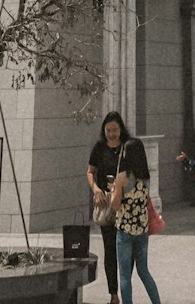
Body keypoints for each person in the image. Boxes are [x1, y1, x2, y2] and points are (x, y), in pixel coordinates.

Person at [87, 109, 131, 304]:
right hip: (106, 203)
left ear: (121, 130)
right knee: (110, 249)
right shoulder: (99, 148)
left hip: (124, 203)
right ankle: (114, 295)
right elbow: (90, 171)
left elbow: (134, 173)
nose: (111, 133)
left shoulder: (127, 148)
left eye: (114, 130)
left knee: (127, 250)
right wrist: (95, 189)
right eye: (108, 130)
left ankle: (125, 289)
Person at [112, 134, 161, 304]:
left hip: (125, 230)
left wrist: (114, 190)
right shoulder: (146, 177)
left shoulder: (123, 178)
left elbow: (115, 205)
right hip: (142, 230)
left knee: (125, 275)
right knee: (143, 271)